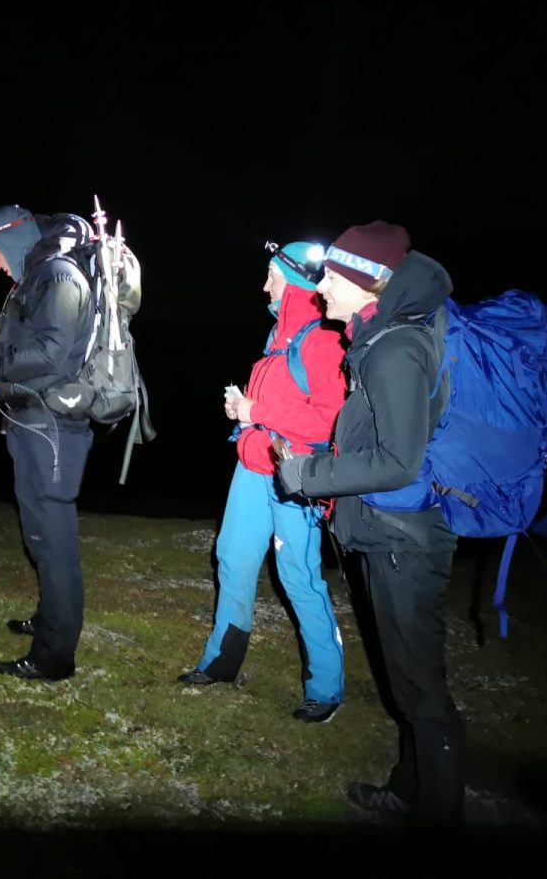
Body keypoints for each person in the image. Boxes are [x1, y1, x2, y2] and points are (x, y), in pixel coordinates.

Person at [276, 221, 465, 823]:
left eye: (332, 277)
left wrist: (308, 473)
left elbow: (397, 461)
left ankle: (438, 815)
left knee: (421, 690)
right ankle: (409, 793)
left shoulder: (396, 349)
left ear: (368, 283)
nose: (320, 288)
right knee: (408, 684)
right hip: (388, 536)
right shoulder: (382, 337)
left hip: (403, 545)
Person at [179, 241, 348, 723]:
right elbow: (274, 407)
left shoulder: (325, 339)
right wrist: (244, 412)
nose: (264, 285)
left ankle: (326, 687)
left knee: (298, 577)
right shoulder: (279, 336)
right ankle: (220, 662)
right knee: (232, 557)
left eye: (271, 276)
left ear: (294, 282)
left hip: (298, 475)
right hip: (254, 468)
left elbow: (329, 421)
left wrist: (259, 411)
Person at [0, 204, 96, 682]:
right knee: (40, 534)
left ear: (11, 240)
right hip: (35, 421)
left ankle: (53, 657)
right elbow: (26, 344)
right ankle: (50, 618)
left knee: (54, 543)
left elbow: (51, 354)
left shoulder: (58, 274)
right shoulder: (40, 274)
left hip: (52, 426)